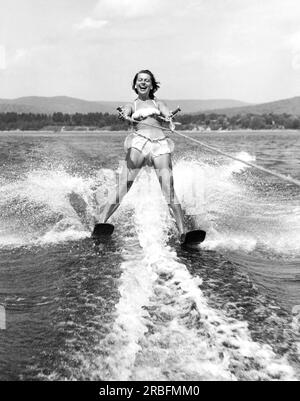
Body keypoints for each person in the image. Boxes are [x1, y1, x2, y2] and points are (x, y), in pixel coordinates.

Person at [98, 69, 186, 240]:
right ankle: (101, 223)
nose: (143, 82)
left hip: (160, 145)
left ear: (152, 85)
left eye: (147, 80)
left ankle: (183, 232)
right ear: (135, 84)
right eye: (140, 80)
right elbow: (125, 112)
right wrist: (124, 115)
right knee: (124, 186)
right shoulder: (132, 105)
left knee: (169, 190)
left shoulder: (158, 104)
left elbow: (166, 113)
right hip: (139, 144)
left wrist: (168, 118)